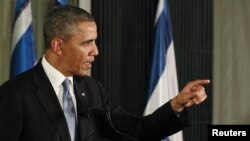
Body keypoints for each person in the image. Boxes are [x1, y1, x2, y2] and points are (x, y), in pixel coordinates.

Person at [0, 5, 210, 141]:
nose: (96, 51)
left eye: (95, 41)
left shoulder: (92, 89)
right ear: (58, 46)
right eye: (87, 43)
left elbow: (136, 131)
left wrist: (176, 105)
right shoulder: (15, 95)